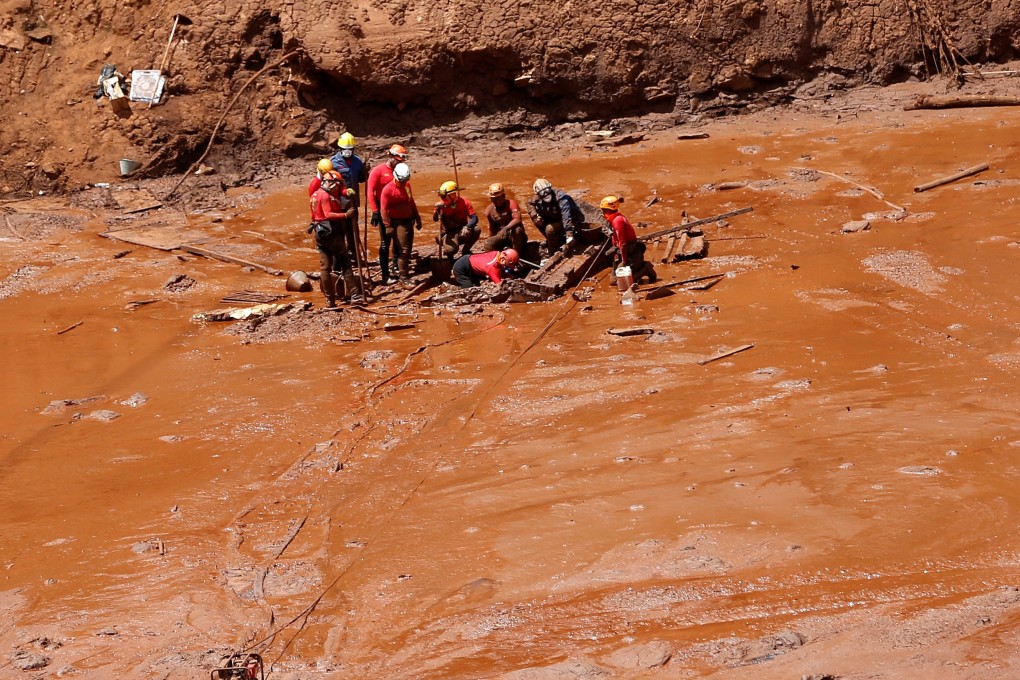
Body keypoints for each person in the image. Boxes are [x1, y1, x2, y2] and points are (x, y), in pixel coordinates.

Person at [308, 171, 362, 306]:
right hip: (331, 233)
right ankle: (355, 296)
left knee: (325, 267)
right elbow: (328, 214)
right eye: (338, 185)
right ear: (331, 184)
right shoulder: (325, 196)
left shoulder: (314, 195)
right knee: (345, 262)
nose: (339, 188)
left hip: (320, 233)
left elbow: (313, 217)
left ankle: (330, 300)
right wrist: (346, 215)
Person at [367, 144, 408, 284]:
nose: (398, 163)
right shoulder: (378, 171)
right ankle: (385, 274)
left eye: (401, 161)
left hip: (396, 209)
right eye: (397, 160)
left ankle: (396, 266)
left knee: (398, 240)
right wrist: (375, 211)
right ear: (390, 156)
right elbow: (370, 192)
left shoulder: (401, 171)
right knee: (385, 242)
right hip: (382, 209)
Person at [379, 162, 422, 287]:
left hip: (408, 221)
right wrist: (387, 225)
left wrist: (417, 217)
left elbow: (411, 201)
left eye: (404, 181)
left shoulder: (407, 186)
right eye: (401, 182)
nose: (402, 184)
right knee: (403, 250)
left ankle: (399, 270)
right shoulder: (388, 190)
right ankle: (404, 278)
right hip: (397, 223)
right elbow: (383, 209)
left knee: (407, 249)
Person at [600, 195, 656, 284]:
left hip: (632, 252)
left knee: (620, 282)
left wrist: (624, 261)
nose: (602, 213)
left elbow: (623, 243)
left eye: (603, 210)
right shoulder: (615, 218)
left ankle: (645, 269)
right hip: (626, 251)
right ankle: (637, 269)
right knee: (613, 280)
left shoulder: (617, 221)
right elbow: (616, 239)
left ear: (608, 210)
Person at [526, 178, 587, 256]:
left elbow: (566, 217)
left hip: (573, 219)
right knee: (537, 220)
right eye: (542, 192)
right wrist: (533, 214)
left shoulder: (561, 198)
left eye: (547, 190)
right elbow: (529, 203)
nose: (545, 193)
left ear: (550, 188)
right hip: (555, 218)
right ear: (538, 194)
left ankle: (553, 252)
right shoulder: (537, 198)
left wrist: (569, 235)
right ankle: (554, 241)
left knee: (549, 229)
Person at [433, 181, 479, 259]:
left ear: (453, 195)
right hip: (447, 234)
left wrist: (468, 226)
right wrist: (437, 211)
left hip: (462, 231)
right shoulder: (441, 205)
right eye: (442, 197)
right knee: (451, 250)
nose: (443, 199)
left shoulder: (464, 203)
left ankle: (465, 251)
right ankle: (449, 255)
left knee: (476, 229)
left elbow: (474, 218)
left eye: (445, 197)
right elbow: (435, 219)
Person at [478, 182, 526, 255]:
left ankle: (517, 255)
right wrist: (490, 240)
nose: (497, 201)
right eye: (494, 199)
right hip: (502, 236)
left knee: (517, 230)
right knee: (488, 243)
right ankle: (493, 260)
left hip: (516, 236)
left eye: (499, 198)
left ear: (503, 196)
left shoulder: (511, 204)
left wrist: (506, 228)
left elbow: (517, 219)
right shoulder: (489, 210)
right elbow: (492, 229)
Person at [329, 132, 370, 211]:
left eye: (349, 149)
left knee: (354, 221)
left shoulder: (358, 161)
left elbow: (361, 179)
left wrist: (365, 171)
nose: (347, 151)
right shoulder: (333, 162)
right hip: (339, 201)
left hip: (353, 200)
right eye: (344, 149)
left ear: (353, 148)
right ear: (340, 148)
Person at [452, 248, 520, 288]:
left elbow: (501, 269)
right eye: (512, 264)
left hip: (470, 262)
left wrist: (508, 276)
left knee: (476, 284)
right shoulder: (492, 269)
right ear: (503, 260)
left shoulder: (497, 253)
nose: (513, 266)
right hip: (461, 267)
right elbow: (499, 285)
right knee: (469, 289)